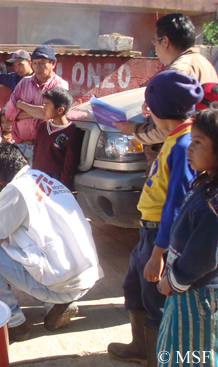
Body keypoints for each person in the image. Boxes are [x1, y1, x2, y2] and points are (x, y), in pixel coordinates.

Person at [107, 70, 204, 367]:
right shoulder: (175, 137)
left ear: (161, 110)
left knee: (155, 301)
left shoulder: (184, 146)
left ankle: (157, 357)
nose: (146, 111)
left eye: (150, 105)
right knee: (133, 289)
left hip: (159, 235)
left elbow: (175, 206)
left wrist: (159, 254)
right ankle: (141, 346)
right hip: (147, 231)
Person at [0, 142, 104, 342]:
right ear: (24, 161)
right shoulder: (47, 180)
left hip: (63, 282)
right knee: (27, 245)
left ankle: (14, 323)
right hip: (85, 274)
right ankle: (54, 306)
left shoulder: (16, 189)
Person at [113, 14, 218, 173]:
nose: (155, 49)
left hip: (176, 159)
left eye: (155, 42)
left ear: (165, 41)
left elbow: (169, 127)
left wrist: (133, 129)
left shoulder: (177, 73)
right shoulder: (202, 62)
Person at [156, 107, 218, 366]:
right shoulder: (205, 184)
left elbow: (202, 258)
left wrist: (172, 281)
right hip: (186, 291)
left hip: (197, 297)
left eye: (198, 142)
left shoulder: (213, 204)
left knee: (192, 354)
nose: (189, 148)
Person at [5, 45, 69, 166]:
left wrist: (21, 105)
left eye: (42, 63)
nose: (38, 67)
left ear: (53, 64)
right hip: (20, 146)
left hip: (45, 148)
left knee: (39, 183)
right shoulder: (23, 83)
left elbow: (49, 114)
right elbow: (9, 114)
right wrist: (38, 112)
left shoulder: (60, 85)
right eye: (35, 63)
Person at [31, 87, 82, 191]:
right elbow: (36, 151)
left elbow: (69, 164)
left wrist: (64, 188)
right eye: (43, 104)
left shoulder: (70, 132)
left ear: (60, 110)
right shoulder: (43, 126)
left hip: (55, 181)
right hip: (38, 177)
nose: (43, 108)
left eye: (47, 105)